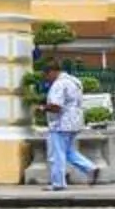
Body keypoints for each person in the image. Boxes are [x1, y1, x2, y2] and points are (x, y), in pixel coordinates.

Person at [39, 54, 96, 190]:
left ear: (52, 72)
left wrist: (43, 108)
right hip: (74, 121)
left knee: (57, 154)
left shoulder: (59, 84)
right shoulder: (74, 81)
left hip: (60, 124)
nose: (46, 79)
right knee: (69, 151)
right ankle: (90, 168)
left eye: (46, 75)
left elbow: (56, 106)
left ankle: (58, 183)